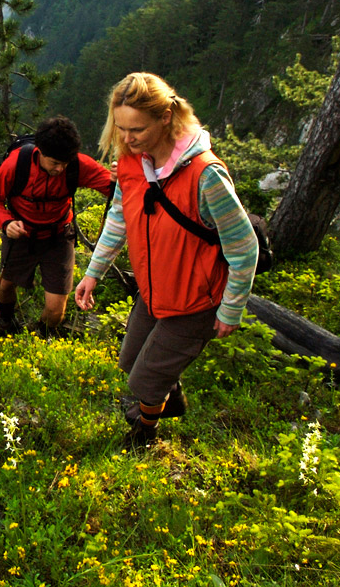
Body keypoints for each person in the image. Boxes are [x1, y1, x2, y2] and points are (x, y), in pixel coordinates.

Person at [74, 72, 258, 445]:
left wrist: (231, 308)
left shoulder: (206, 176)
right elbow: (119, 219)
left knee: (144, 380)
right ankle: (164, 397)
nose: (126, 139)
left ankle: (146, 432)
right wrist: (93, 273)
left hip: (197, 301)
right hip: (154, 291)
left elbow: (244, 246)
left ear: (165, 118)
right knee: (130, 362)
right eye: (121, 129)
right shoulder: (131, 162)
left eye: (136, 129)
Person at [0, 116, 113, 337]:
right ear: (40, 151)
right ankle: (6, 321)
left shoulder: (76, 165)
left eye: (65, 163)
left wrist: (122, 179)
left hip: (58, 237)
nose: (61, 169)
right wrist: (6, 223)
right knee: (5, 288)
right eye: (55, 163)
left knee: (55, 310)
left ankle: (41, 336)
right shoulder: (17, 163)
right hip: (21, 235)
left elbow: (113, 188)